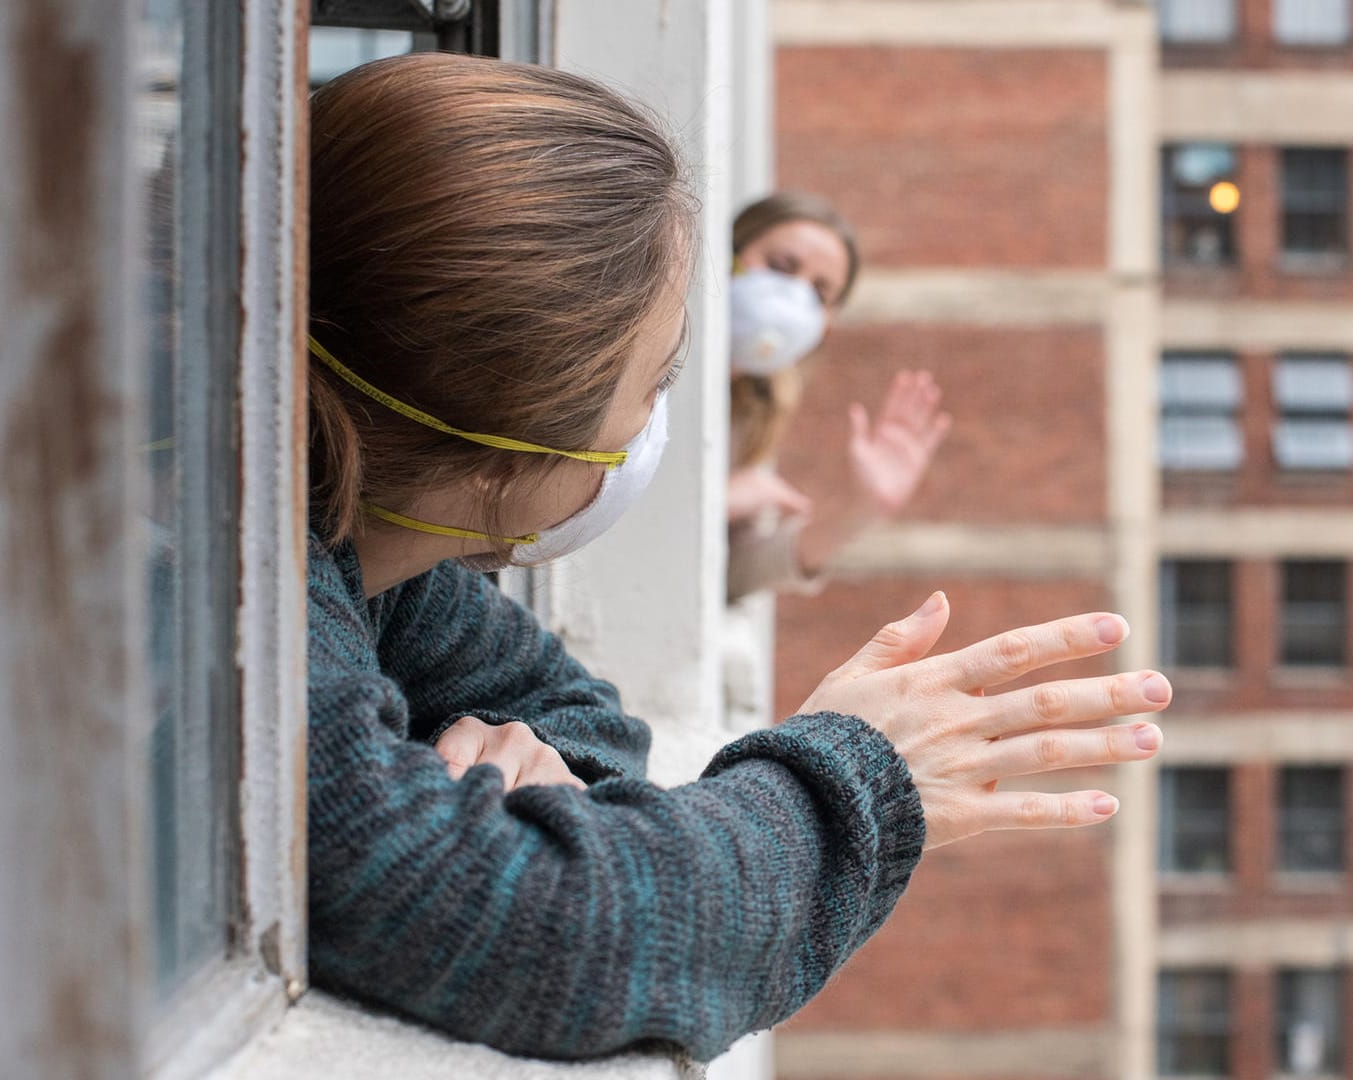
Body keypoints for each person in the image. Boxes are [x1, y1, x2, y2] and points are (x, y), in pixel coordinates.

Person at [304, 53, 1171, 1062]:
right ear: (507, 457)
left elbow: (583, 721)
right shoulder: (233, 619)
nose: (655, 427)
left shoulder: (360, 556)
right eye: (654, 380)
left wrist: (524, 775)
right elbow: (564, 932)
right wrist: (855, 783)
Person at [724, 192, 950, 600]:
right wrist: (717, 499)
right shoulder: (645, 352)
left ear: (826, 325)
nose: (795, 297)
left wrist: (860, 511)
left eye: (821, 293)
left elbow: (726, 575)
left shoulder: (755, 411)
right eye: (780, 266)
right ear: (729, 254)